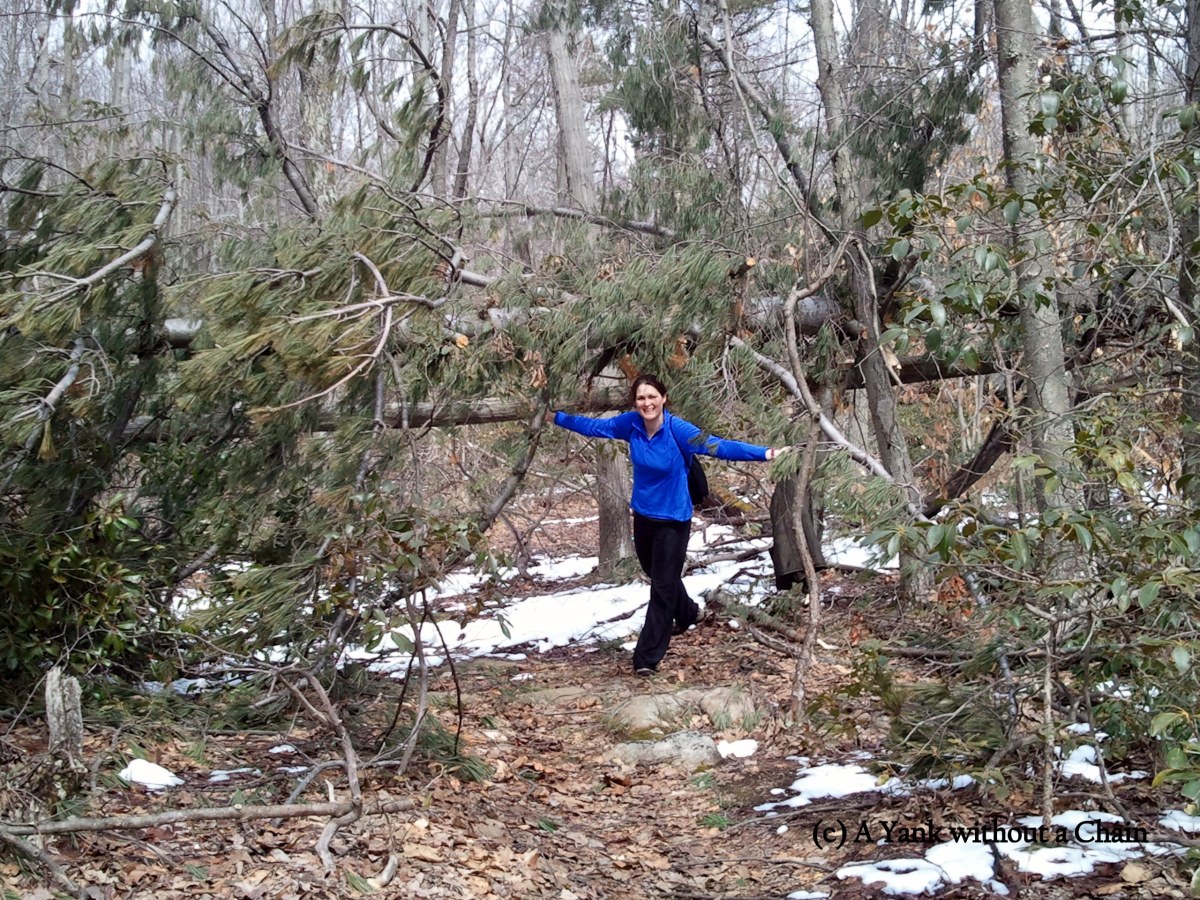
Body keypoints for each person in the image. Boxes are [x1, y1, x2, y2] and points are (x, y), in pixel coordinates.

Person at [552, 374, 788, 676]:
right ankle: (688, 612)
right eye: (640, 398)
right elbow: (596, 427)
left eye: (652, 397)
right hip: (644, 516)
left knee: (662, 588)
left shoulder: (678, 430)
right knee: (656, 574)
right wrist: (555, 417)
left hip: (674, 519)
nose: (646, 403)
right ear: (634, 402)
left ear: (663, 398)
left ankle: (646, 659)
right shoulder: (631, 424)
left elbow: (718, 446)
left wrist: (765, 453)